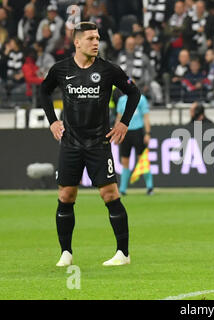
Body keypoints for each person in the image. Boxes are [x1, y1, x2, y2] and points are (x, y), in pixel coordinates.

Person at [40, 22, 141, 267]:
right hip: (71, 143)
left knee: (110, 194)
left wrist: (123, 123)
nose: (96, 42)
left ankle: (123, 254)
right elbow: (44, 91)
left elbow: (134, 93)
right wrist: (53, 121)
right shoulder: (61, 69)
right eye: (90, 38)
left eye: (97, 38)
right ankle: (66, 252)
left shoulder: (109, 70)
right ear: (77, 42)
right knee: (66, 195)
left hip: (98, 143)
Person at [115, 90, 154, 196]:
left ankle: (150, 187)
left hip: (138, 131)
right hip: (125, 132)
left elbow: (146, 117)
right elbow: (119, 118)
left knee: (142, 160)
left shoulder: (141, 99)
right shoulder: (121, 101)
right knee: (125, 161)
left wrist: (147, 133)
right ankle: (123, 189)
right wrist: (116, 134)